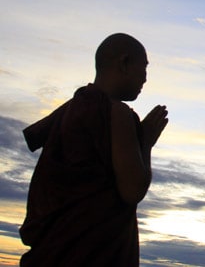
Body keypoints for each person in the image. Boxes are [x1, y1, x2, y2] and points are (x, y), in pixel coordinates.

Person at [19, 33, 169, 266]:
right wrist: (146, 142)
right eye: (144, 67)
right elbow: (133, 191)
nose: (146, 78)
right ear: (124, 62)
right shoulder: (116, 113)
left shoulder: (71, 110)